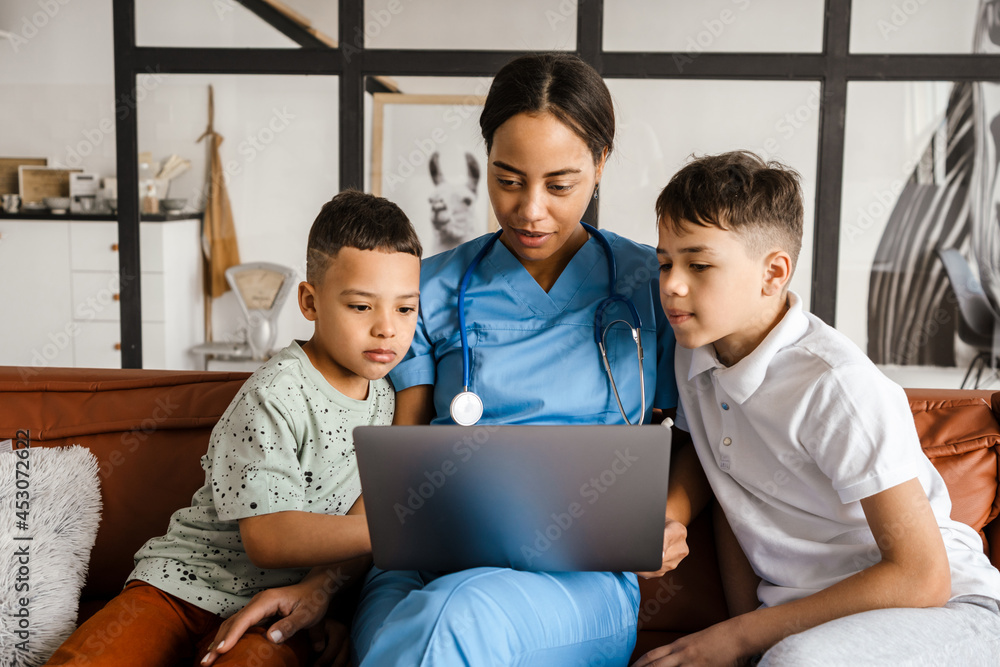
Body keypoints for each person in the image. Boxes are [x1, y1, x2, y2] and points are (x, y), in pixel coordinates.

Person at [634, 151, 1000, 666]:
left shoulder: (836, 386)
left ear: (773, 273)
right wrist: (671, 519)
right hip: (807, 632)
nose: (671, 284)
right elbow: (720, 469)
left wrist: (737, 638)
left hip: (953, 612)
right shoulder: (695, 353)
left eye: (698, 264)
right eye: (665, 262)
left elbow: (922, 576)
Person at [43, 190, 422, 667]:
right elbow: (271, 538)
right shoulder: (278, 391)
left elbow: (356, 526)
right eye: (362, 307)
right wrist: (407, 530)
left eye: (405, 309)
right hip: (181, 586)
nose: (387, 329)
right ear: (310, 301)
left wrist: (322, 587)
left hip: (279, 609)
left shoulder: (389, 403)